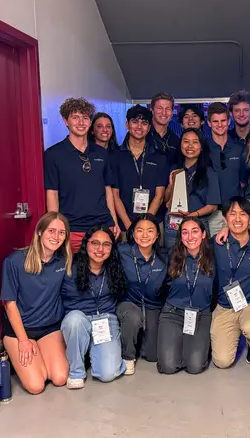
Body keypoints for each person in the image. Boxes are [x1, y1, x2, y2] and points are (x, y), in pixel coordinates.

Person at [0, 212, 72, 394]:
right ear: (39, 231)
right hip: (20, 331)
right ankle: (23, 358)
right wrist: (23, 341)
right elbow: (9, 304)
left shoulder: (64, 260)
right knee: (36, 386)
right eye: (51, 231)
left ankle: (40, 358)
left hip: (49, 327)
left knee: (60, 377)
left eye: (61, 233)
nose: (56, 237)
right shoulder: (14, 261)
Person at [44, 97, 119, 253]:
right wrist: (56, 227)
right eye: (75, 117)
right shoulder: (53, 154)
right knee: (74, 274)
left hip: (103, 226)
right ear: (66, 121)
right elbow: (52, 193)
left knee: (103, 274)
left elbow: (108, 191)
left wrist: (114, 222)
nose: (81, 122)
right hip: (72, 228)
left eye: (85, 117)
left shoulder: (102, 153)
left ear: (90, 122)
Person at [61, 227, 126, 388]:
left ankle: (103, 354)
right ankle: (76, 371)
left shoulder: (114, 267)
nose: (100, 249)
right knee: (75, 321)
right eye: (95, 243)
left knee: (108, 374)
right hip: (79, 319)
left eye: (106, 244)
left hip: (105, 319)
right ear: (86, 244)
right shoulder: (70, 267)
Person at [210, 197, 250, 368]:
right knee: (222, 361)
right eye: (232, 214)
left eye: (243, 214)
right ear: (225, 218)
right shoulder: (217, 243)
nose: (237, 219)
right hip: (225, 307)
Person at [157, 217, 215, 374]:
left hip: (201, 313)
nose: (190, 237)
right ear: (180, 236)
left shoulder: (214, 255)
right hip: (172, 313)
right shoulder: (171, 255)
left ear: (203, 234)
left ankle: (194, 348)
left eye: (195, 231)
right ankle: (181, 348)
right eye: (185, 232)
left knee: (195, 367)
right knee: (168, 367)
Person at [116, 214, 168, 373]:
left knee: (153, 355)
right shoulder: (122, 251)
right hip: (128, 304)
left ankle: (139, 340)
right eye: (140, 230)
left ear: (157, 234)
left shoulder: (165, 255)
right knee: (132, 316)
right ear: (132, 233)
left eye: (150, 231)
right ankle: (128, 356)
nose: (145, 235)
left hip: (153, 306)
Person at [109, 105, 168, 233]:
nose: (139, 127)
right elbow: (115, 195)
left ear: (149, 128)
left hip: (153, 225)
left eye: (144, 123)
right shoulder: (115, 156)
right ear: (127, 124)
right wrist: (130, 226)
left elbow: (160, 195)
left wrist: (145, 225)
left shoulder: (159, 157)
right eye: (135, 122)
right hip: (124, 226)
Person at [164, 128, 221, 249]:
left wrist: (191, 215)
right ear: (180, 145)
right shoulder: (175, 169)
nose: (190, 146)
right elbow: (166, 201)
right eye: (186, 141)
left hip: (197, 225)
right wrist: (170, 186)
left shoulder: (209, 172)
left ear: (201, 147)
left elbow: (213, 206)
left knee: (199, 262)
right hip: (173, 224)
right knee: (173, 261)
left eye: (195, 142)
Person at [207, 102, 244, 236]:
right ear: (209, 123)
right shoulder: (203, 148)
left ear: (229, 121)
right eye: (215, 121)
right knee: (213, 252)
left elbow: (244, 180)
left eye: (223, 120)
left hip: (236, 211)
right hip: (211, 213)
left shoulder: (239, 148)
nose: (220, 124)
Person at [148, 92, 181, 167]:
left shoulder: (175, 140)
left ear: (172, 112)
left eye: (168, 109)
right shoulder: (142, 135)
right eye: (160, 108)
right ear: (152, 110)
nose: (164, 113)